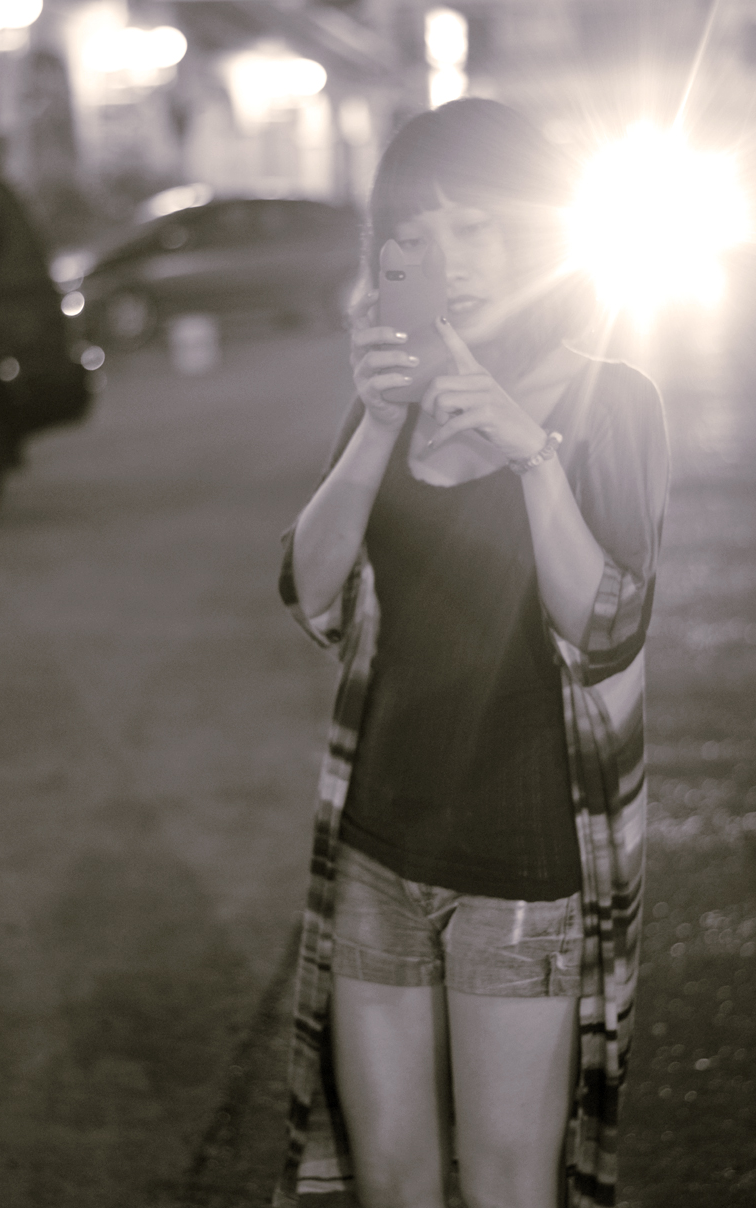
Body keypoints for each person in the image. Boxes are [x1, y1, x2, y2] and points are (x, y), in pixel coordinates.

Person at [274, 98, 669, 1208]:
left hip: (524, 867)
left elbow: (607, 627)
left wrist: (531, 457)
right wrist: (375, 423)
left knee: (504, 1185)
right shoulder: (388, 402)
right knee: (392, 1183)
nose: (453, 263)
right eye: (419, 236)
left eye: (477, 228)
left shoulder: (609, 400)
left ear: (534, 230)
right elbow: (309, 590)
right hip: (375, 852)